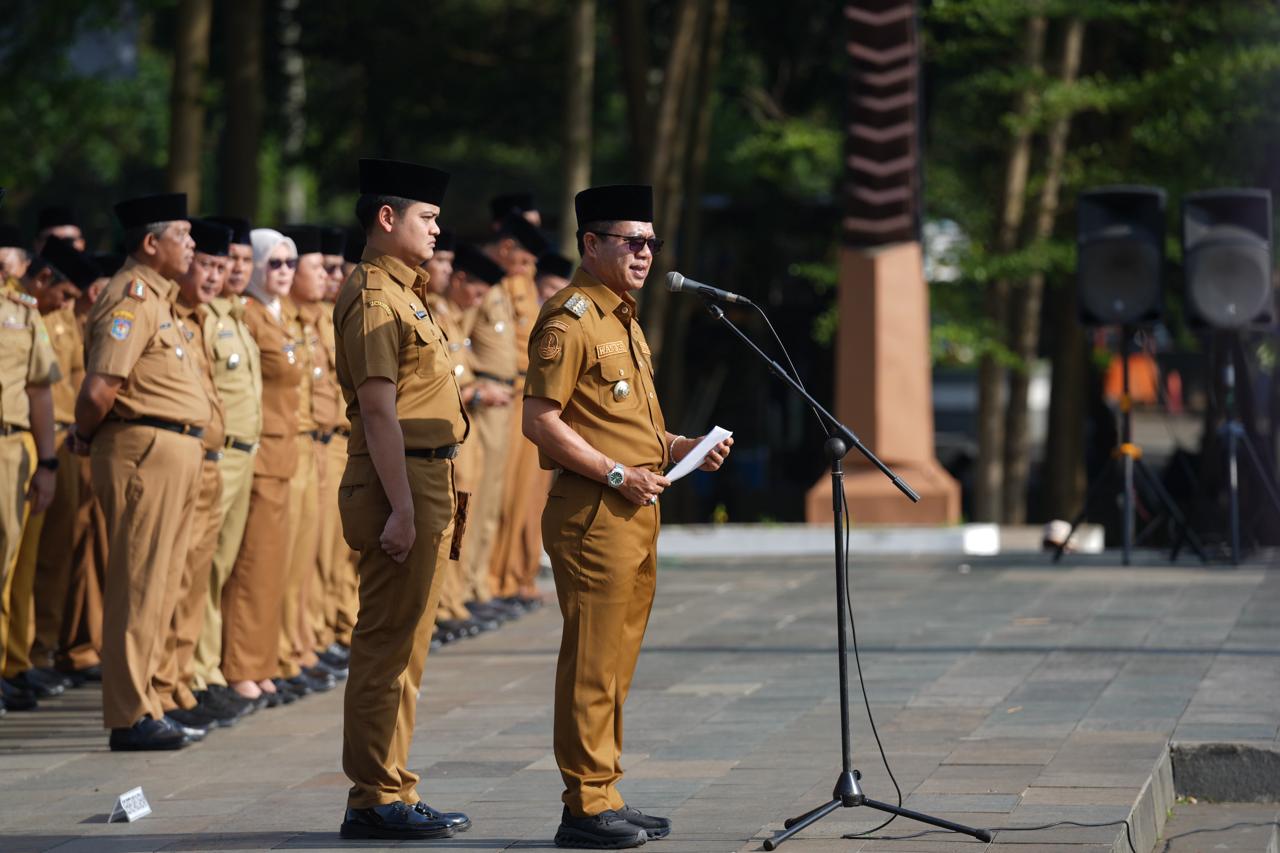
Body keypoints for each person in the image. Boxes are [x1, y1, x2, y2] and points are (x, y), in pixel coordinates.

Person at [523, 184, 732, 848]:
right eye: (631, 241)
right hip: (594, 512)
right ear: (591, 244)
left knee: (616, 660)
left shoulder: (624, 319)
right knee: (591, 659)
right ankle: (583, 805)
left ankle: (605, 789)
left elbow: (626, 422)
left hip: (637, 507)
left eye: (651, 242)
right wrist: (616, 472)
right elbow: (540, 420)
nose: (645, 252)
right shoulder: (570, 318)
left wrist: (681, 447)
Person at [333, 158, 470, 840]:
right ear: (386, 219)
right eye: (427, 216)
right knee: (387, 642)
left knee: (409, 644)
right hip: (400, 479)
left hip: (424, 475)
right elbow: (380, 410)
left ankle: (392, 783)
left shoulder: (406, 292)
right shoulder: (375, 297)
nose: (438, 229)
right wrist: (403, 508)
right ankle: (373, 794)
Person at [71, 193, 213, 751]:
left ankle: (148, 703)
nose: (192, 243)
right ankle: (130, 715)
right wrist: (83, 434)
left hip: (171, 449)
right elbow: (100, 388)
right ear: (151, 244)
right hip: (143, 450)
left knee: (161, 584)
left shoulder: (160, 298)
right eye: (183, 233)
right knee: (139, 582)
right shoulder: (131, 296)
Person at [158, 218, 247, 733]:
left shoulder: (202, 317)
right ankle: (172, 682)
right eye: (206, 264)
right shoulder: (172, 315)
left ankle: (186, 679)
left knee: (196, 579)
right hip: (186, 457)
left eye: (220, 265)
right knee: (178, 578)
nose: (214, 275)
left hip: (213, 459)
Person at [219, 228, 302, 708]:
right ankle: (241, 666)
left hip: (285, 452)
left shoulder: (278, 314)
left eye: (290, 262)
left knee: (274, 566)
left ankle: (263, 662)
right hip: (261, 454)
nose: (285, 271)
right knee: (251, 566)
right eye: (274, 263)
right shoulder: (248, 315)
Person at [190, 216, 263, 714]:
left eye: (235, 262)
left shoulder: (236, 315)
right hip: (217, 453)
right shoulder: (203, 319)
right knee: (205, 567)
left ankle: (207, 668)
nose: (225, 273)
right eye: (216, 263)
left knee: (222, 568)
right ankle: (197, 673)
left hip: (243, 453)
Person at [430, 242, 506, 643]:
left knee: (466, 516)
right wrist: (476, 394)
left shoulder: (453, 317)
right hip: (450, 429)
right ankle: (443, 603)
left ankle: (455, 598)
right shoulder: (436, 313)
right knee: (449, 521)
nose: (444, 269)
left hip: (466, 429)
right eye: (440, 260)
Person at [275, 224, 339, 694]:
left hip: (322, 440)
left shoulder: (314, 321)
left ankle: (302, 642)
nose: (329, 278)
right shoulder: (283, 321)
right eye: (320, 267)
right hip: (291, 443)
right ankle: (285, 649)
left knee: (315, 555)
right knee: (287, 559)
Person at [0, 232, 62, 716]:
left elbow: (40, 390)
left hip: (8, 447)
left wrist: (47, 462)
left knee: (6, 563)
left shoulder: (22, 309)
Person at [485, 213, 550, 611]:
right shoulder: (499, 285)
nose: (526, 271)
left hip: (524, 390)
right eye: (523, 260)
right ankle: (496, 579)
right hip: (504, 393)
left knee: (525, 495)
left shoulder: (520, 283)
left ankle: (513, 575)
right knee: (502, 494)